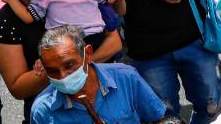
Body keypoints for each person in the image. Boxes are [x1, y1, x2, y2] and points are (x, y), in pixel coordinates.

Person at [30, 25, 166, 124]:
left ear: (87, 54)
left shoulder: (126, 77)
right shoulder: (43, 110)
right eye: (53, 71)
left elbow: (158, 119)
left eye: (69, 65)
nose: (63, 76)